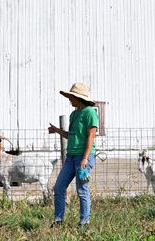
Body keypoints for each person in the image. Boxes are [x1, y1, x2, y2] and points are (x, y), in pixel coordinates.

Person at [47, 82, 98, 228]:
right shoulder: (74, 114)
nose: (70, 99)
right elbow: (72, 136)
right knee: (58, 188)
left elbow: (91, 137)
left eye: (71, 97)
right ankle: (58, 221)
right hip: (71, 157)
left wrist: (84, 158)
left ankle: (84, 222)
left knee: (82, 190)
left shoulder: (90, 113)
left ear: (79, 98)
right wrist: (57, 130)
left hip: (83, 158)